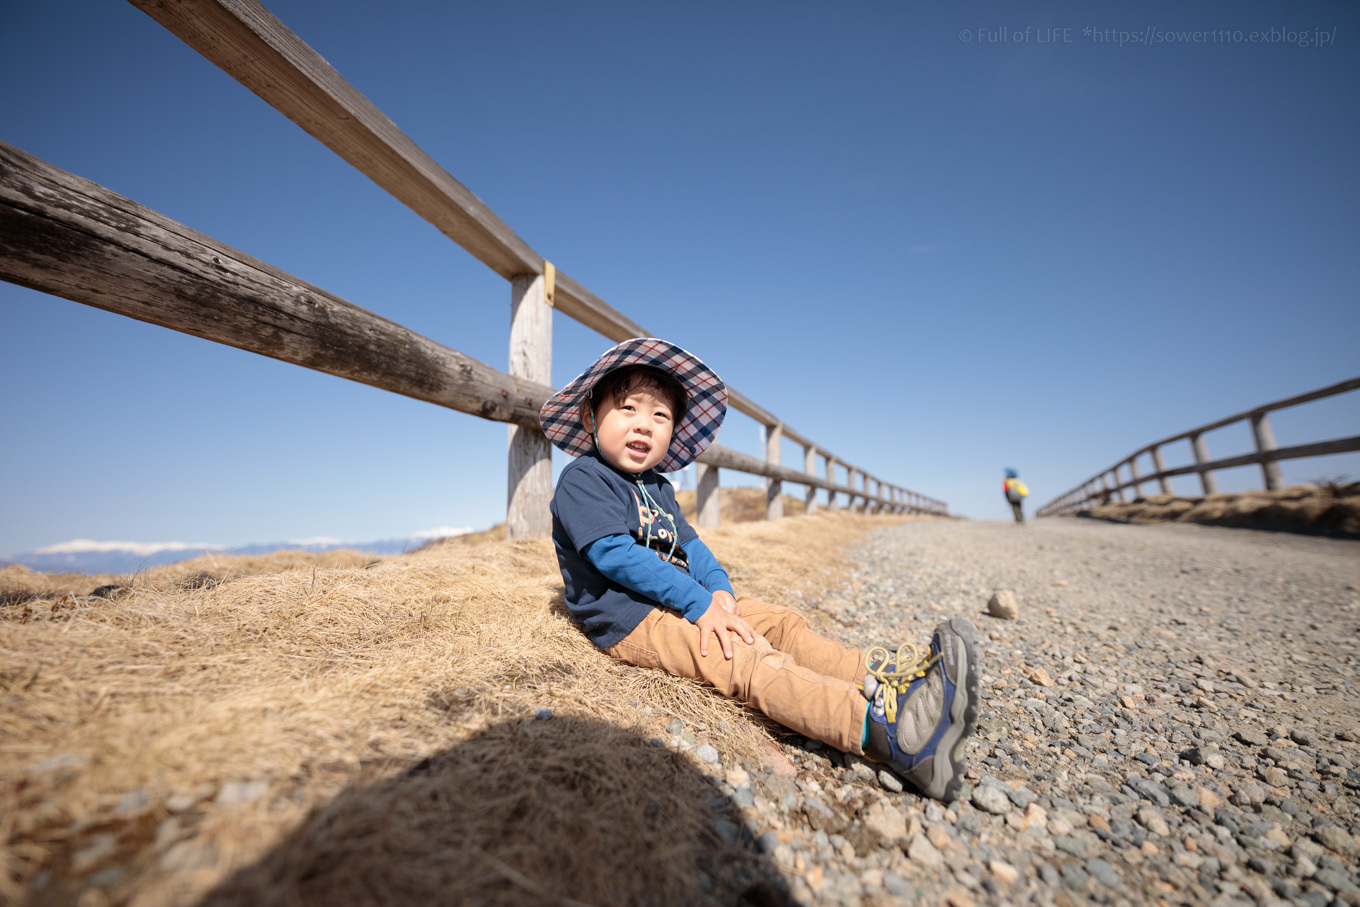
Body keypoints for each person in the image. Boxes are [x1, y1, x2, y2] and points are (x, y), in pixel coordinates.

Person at [540, 338, 979, 801]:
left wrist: (718, 589)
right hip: (632, 618)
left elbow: (691, 544)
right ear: (591, 417)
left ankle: (881, 676)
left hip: (685, 597)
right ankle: (889, 734)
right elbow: (615, 554)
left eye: (660, 416)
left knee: (781, 624)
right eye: (627, 408)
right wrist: (698, 602)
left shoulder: (657, 487)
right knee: (744, 658)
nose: (644, 425)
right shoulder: (584, 479)